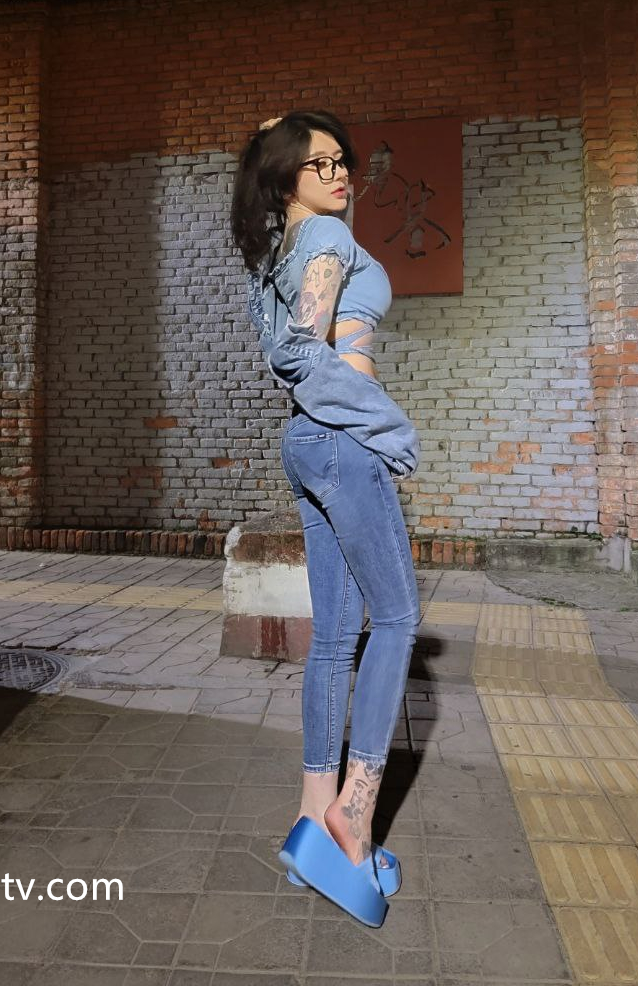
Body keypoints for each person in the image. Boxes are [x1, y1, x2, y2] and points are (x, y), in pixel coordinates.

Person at [230, 110, 421, 926]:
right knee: (400, 619)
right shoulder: (330, 241)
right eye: (321, 164)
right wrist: (388, 424)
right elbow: (302, 354)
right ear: (287, 179)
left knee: (338, 636)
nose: (341, 175)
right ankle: (356, 815)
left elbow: (287, 347)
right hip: (343, 438)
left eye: (343, 161)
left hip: (308, 442)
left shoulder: (279, 251)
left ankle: (314, 819)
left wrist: (274, 138)